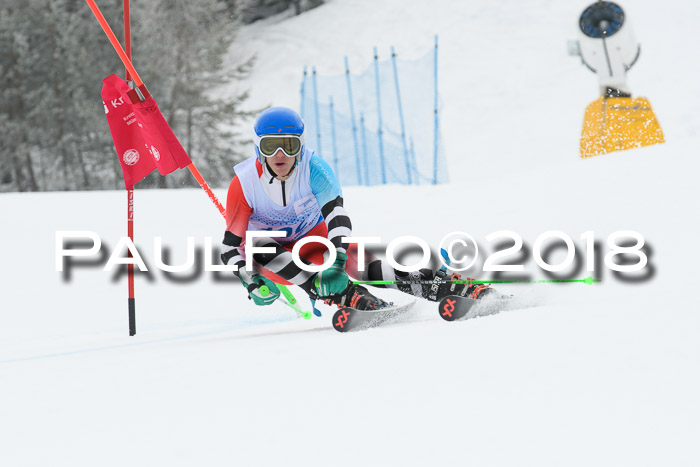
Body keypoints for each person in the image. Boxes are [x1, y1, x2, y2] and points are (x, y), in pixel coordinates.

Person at [221, 107, 493, 311]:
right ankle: (348, 297)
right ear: (259, 148)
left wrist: (338, 262)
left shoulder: (314, 169)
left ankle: (447, 285)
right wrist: (250, 281)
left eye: (289, 145)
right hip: (274, 262)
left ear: (301, 147)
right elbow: (230, 248)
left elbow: (337, 217)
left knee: (361, 264)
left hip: (316, 246)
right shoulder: (243, 183)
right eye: (271, 146)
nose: (280, 154)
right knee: (262, 246)